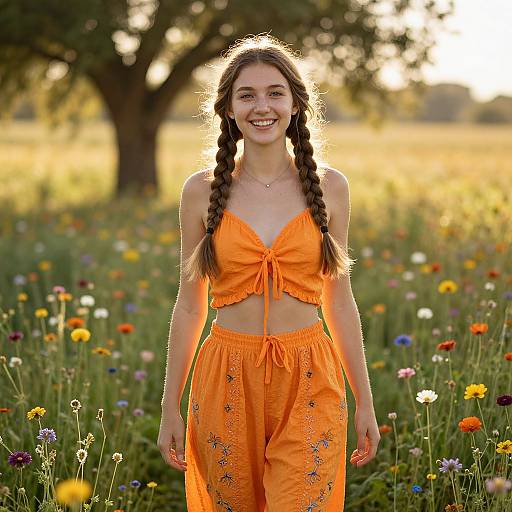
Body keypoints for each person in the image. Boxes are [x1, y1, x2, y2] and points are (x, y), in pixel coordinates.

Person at [158, 33, 380, 511]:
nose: (263, 106)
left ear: (296, 103)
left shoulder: (330, 187)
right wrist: (169, 407)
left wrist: (365, 399)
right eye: (247, 94)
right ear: (228, 109)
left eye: (275, 92)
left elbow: (339, 299)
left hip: (309, 377)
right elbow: (189, 303)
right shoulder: (201, 191)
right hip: (225, 377)